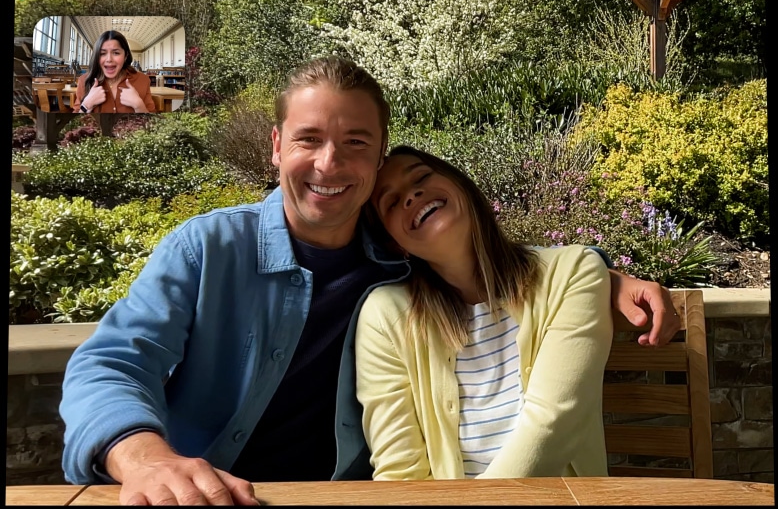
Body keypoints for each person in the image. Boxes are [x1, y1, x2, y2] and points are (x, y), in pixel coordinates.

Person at [59, 55, 680, 506]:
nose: (329, 164)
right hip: (209, 493)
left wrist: (603, 275)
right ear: (276, 146)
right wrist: (146, 459)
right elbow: (111, 363)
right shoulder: (208, 249)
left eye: (355, 143)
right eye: (309, 139)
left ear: (379, 157)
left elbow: (489, 259)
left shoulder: (400, 257)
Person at [357, 145, 615, 480]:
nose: (411, 195)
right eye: (391, 202)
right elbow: (400, 472)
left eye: (421, 177)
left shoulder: (573, 272)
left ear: (461, 184)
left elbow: (553, 424)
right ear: (394, 244)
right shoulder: (384, 316)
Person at [72, 30, 155, 114]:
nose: (109, 59)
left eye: (116, 53)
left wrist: (139, 105)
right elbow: (73, 121)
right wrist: (87, 105)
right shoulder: (84, 80)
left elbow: (153, 120)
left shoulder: (142, 80)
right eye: (102, 53)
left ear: (126, 56)